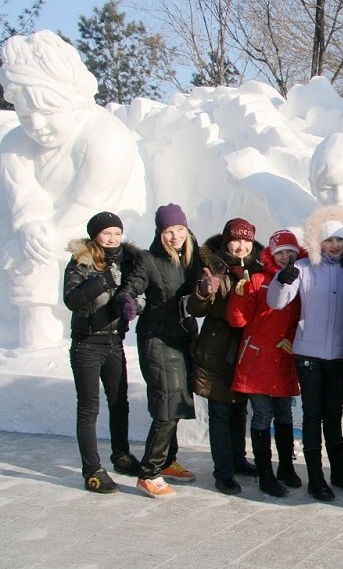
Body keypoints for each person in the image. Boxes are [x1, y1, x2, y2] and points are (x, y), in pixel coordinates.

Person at [0, 30, 137, 348]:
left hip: (93, 233)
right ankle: (26, 341)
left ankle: (41, 341)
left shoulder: (107, 141)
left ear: (75, 105)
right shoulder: (15, 143)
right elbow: (21, 193)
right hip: (32, 233)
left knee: (39, 254)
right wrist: (30, 223)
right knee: (28, 246)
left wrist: (43, 237)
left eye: (47, 113)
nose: (35, 125)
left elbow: (88, 207)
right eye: (24, 115)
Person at [267, 205, 343, 501]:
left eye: (339, 240)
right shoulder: (304, 269)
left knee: (333, 415)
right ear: (317, 242)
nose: (334, 246)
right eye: (328, 240)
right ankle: (316, 477)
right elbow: (277, 302)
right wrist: (283, 279)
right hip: (308, 354)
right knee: (312, 415)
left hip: (340, 354)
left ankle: (340, 471)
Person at [116, 203, 201, 499]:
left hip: (182, 338)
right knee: (168, 404)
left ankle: (167, 461)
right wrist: (127, 301)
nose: (175, 235)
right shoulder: (148, 260)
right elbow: (132, 287)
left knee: (176, 401)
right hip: (157, 339)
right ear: (160, 232)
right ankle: (149, 472)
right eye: (168, 231)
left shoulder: (192, 257)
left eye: (179, 229)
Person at [63, 212, 141, 493]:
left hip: (114, 342)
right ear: (95, 234)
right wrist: (104, 280)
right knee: (89, 408)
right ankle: (92, 470)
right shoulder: (80, 262)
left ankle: (121, 454)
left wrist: (133, 305)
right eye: (106, 233)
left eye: (117, 233)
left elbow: (139, 293)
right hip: (87, 344)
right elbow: (72, 300)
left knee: (120, 402)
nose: (112, 238)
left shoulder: (129, 261)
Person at [227, 229, 307, 497]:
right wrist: (239, 295)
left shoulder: (301, 279)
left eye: (290, 252)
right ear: (271, 255)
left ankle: (285, 467)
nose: (285, 257)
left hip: (284, 358)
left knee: (284, 414)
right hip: (258, 358)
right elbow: (238, 321)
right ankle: (265, 474)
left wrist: (294, 341)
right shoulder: (258, 279)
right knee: (263, 415)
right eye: (280, 253)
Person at [186, 218, 262, 495]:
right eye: (236, 240)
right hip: (218, 349)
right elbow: (196, 309)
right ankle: (224, 472)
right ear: (226, 241)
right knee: (220, 412)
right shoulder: (212, 267)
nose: (241, 246)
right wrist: (204, 292)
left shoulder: (258, 267)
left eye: (247, 241)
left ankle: (238, 458)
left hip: (247, 349)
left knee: (240, 408)